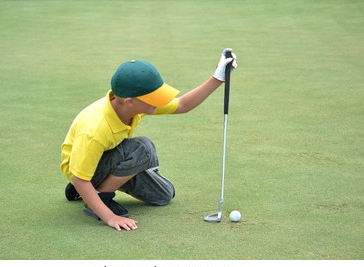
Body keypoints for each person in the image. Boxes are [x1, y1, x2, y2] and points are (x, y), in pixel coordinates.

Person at [60, 48, 237, 231]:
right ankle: (98, 197)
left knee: (163, 194)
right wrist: (110, 217)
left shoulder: (133, 106)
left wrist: (218, 77)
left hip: (103, 161)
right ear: (130, 101)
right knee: (143, 148)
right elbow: (80, 178)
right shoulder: (94, 129)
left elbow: (183, 105)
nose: (159, 101)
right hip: (80, 174)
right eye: (154, 97)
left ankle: (92, 189)